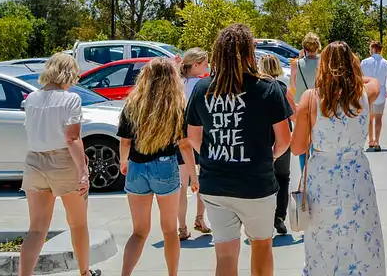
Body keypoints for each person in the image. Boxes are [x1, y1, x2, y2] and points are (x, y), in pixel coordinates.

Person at [186, 24, 293, 276]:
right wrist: (268, 157)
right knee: (262, 246)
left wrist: (218, 154)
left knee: (224, 254)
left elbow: (192, 135)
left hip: (216, 184)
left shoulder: (202, 89)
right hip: (256, 184)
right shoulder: (268, 88)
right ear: (249, 52)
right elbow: (284, 140)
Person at [291, 41, 386, 275]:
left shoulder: (310, 99)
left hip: (323, 177)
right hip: (356, 174)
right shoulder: (364, 95)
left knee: (324, 240)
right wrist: (353, 77)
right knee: (361, 237)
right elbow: (374, 81)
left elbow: (297, 148)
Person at [18, 53, 101, 276]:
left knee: (36, 228)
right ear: (69, 73)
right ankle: (84, 272)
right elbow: (72, 138)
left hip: (34, 160)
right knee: (78, 223)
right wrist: (83, 171)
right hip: (63, 161)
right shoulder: (70, 99)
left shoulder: (32, 98)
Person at [118, 58, 199, 276]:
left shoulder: (133, 104)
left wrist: (123, 162)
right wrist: (194, 176)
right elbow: (184, 145)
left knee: (139, 232)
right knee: (170, 230)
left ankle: (125, 273)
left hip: (136, 167)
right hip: (165, 167)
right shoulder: (177, 105)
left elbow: (125, 141)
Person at [258, 53, 294, 236]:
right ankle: (279, 216)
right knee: (283, 177)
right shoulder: (283, 88)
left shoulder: (257, 88)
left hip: (263, 135)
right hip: (282, 135)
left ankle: (263, 216)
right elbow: (293, 114)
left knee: (264, 178)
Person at [178, 46, 211, 240]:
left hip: (179, 133)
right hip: (199, 132)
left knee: (183, 184)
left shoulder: (177, 82)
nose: (207, 67)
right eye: (205, 64)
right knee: (203, 179)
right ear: (196, 65)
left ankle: (182, 226)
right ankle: (200, 217)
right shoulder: (200, 85)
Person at [291, 32, 320, 170]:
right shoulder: (323, 63)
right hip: (318, 104)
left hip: (301, 104)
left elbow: (293, 85)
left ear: (304, 47)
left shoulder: (296, 64)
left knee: (303, 142)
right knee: (317, 141)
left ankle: (304, 173)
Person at [360, 40, 387, 151]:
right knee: (379, 118)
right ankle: (377, 141)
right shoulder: (386, 63)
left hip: (367, 92)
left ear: (373, 49)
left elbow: (359, 77)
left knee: (370, 118)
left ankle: (370, 140)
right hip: (381, 91)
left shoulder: (364, 62)